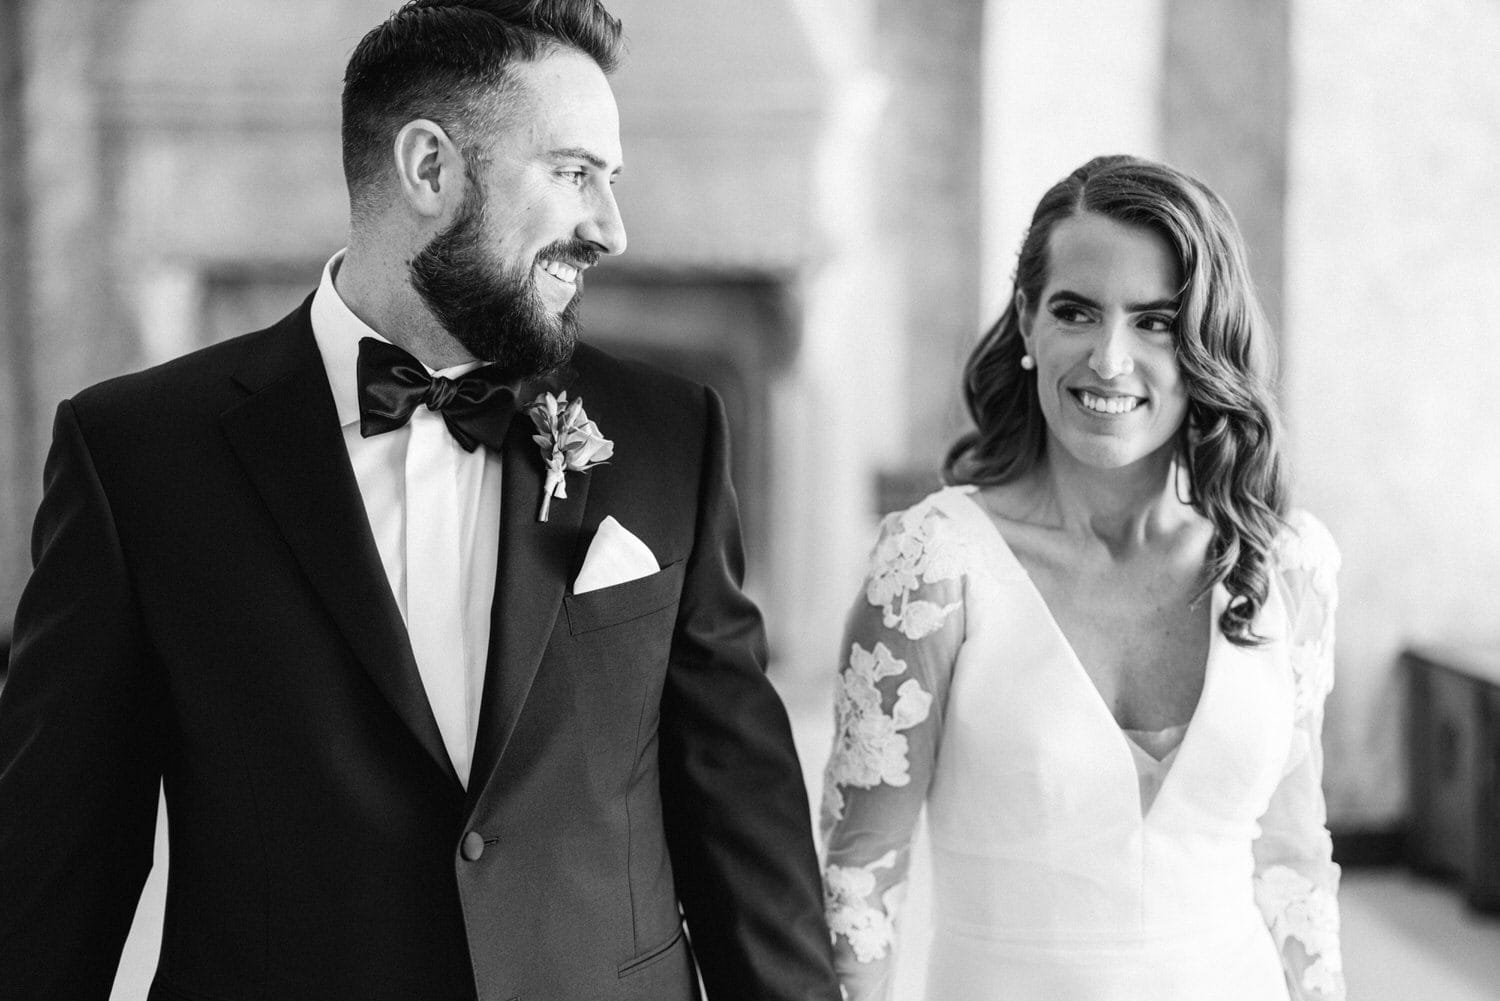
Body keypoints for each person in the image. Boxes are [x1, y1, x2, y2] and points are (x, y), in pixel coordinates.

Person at [0, 3, 840, 1000]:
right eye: (574, 173)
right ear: (430, 170)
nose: (611, 228)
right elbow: (58, 865)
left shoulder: (670, 435)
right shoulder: (138, 454)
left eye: (612, 182)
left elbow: (744, 831)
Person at [820, 155, 1345, 1000]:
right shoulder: (933, 569)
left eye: (1157, 322)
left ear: (1206, 340)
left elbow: (1292, 860)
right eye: (1076, 311)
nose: (1109, 358)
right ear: (1027, 319)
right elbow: (860, 874)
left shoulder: (1286, 564)